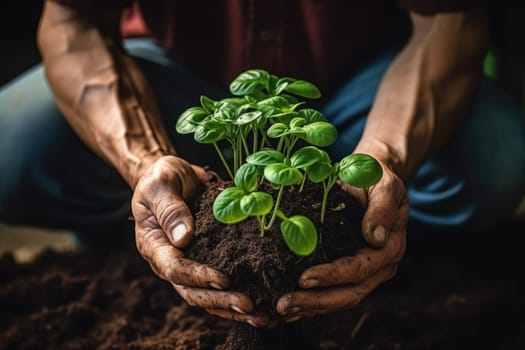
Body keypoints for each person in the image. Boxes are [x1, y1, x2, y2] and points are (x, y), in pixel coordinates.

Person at [1, 0, 524, 328]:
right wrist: (144, 161)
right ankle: (161, 216)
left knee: (496, 158)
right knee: (12, 152)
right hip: (174, 80)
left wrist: (385, 155)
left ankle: (377, 229)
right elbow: (71, 21)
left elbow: (450, 22)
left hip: (370, 83)